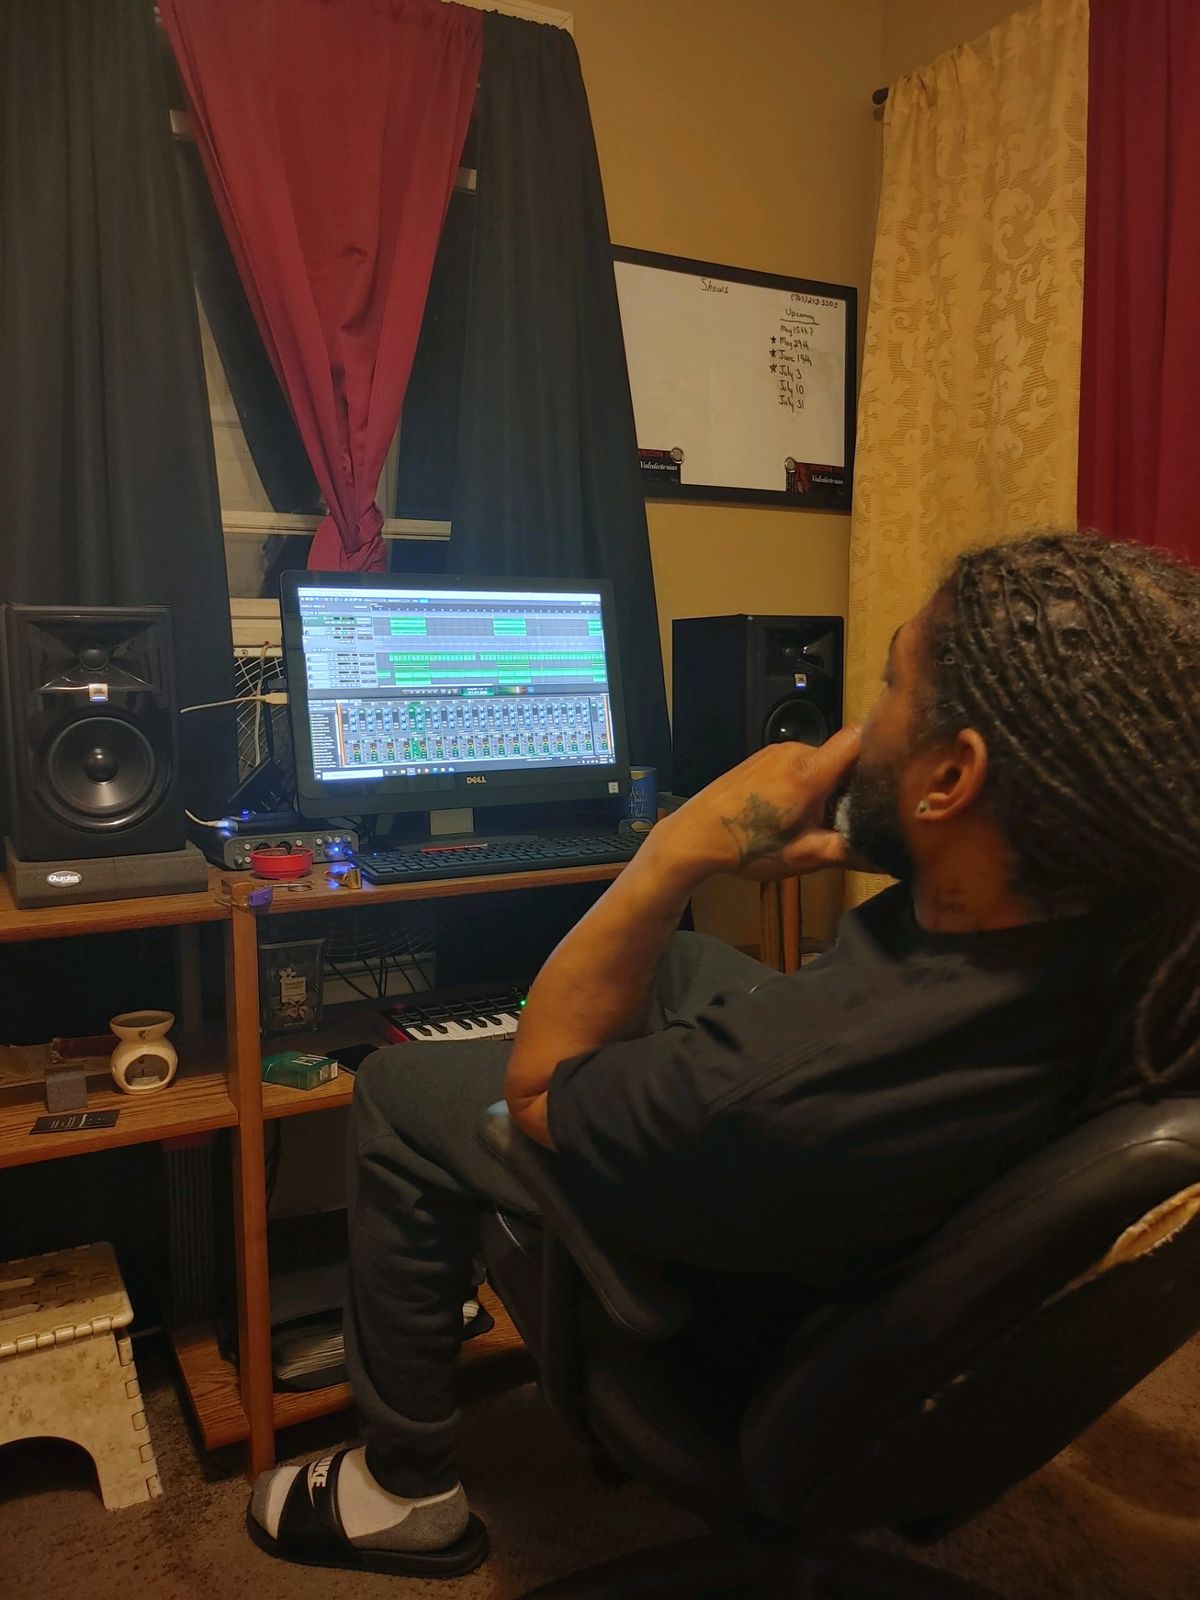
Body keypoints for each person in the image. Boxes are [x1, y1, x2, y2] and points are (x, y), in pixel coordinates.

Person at [247, 532, 1200, 1579]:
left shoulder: (764, 1084)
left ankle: (405, 1489)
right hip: (892, 1225)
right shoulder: (1142, 952)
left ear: (952, 776)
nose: (853, 729)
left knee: (395, 1086)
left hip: (752, 1334)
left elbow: (537, 1090)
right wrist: (887, 843)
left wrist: (678, 848)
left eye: (890, 690)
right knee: (686, 959)